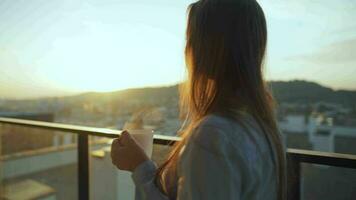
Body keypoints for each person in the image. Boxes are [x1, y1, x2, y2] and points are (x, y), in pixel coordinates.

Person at [111, 0, 286, 199]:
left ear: (207, 47)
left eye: (191, 38)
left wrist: (140, 167)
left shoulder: (214, 134)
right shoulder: (265, 127)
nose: (187, 48)